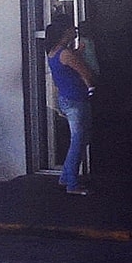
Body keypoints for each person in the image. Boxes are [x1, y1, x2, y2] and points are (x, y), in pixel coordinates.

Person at [45, 21, 97, 195]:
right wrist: (91, 85)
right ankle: (72, 183)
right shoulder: (66, 53)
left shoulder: (54, 52)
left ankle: (66, 176)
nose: (74, 31)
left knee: (78, 139)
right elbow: (86, 72)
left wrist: (78, 52)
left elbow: (68, 63)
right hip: (77, 99)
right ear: (64, 32)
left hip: (66, 98)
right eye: (70, 29)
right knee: (79, 140)